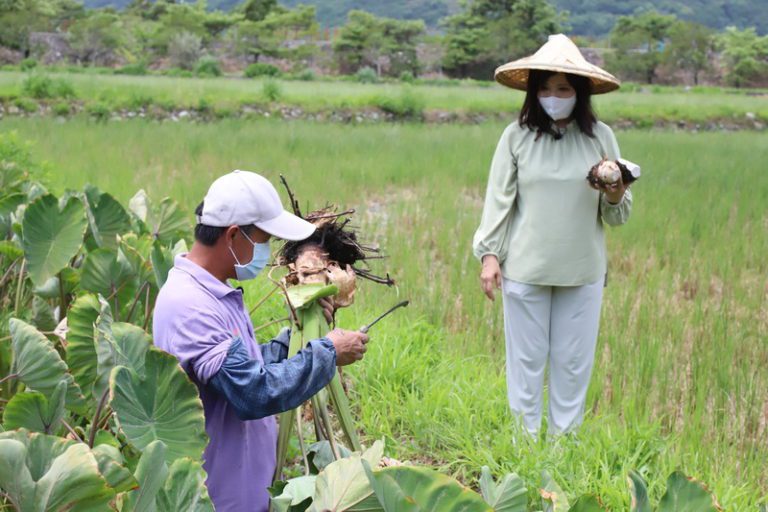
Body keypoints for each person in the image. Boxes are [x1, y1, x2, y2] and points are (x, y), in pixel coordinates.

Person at [153, 170, 369, 511]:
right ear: (234, 235)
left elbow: (246, 364)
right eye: (264, 239)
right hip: (217, 500)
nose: (266, 251)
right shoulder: (189, 305)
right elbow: (252, 392)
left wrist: (295, 339)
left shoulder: (215, 292)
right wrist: (328, 352)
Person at [472, 34, 633, 438]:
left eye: (563, 88)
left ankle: (565, 450)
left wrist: (615, 191)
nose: (553, 96)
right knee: (526, 364)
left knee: (572, 364)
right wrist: (489, 256)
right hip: (526, 269)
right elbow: (498, 201)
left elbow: (617, 215)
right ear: (533, 92)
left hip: (582, 272)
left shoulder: (600, 138)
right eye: (545, 88)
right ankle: (524, 449)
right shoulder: (517, 137)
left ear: (579, 92)